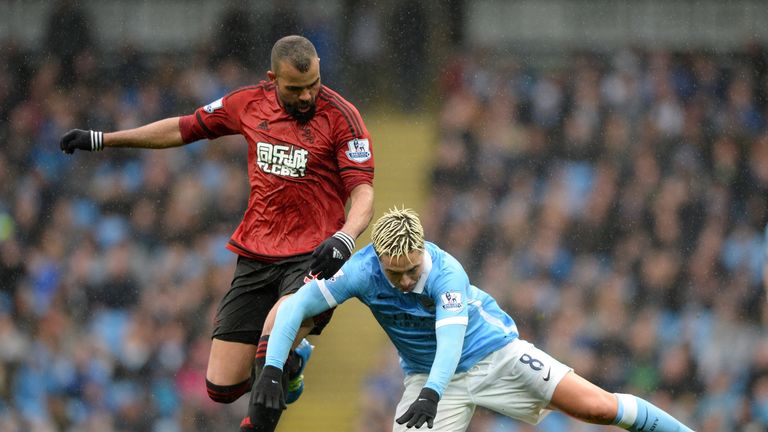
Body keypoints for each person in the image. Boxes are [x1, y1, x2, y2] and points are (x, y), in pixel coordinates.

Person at [59, 35, 375, 432]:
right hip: (257, 254)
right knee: (220, 387)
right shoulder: (247, 103)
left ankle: (265, 400)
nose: (308, 96)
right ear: (272, 78)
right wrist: (104, 139)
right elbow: (183, 128)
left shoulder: (342, 117)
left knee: (271, 343)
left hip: (313, 256)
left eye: (314, 84)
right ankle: (292, 363)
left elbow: (363, 193)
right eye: (295, 89)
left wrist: (345, 237)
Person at [253, 207, 695, 431]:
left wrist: (430, 394)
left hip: (495, 355)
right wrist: (273, 368)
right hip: (428, 378)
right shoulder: (362, 272)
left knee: (597, 407)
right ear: (380, 260)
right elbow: (296, 306)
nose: (405, 280)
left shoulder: (448, 274)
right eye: (395, 272)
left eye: (411, 269)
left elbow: (451, 341)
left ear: (421, 251)